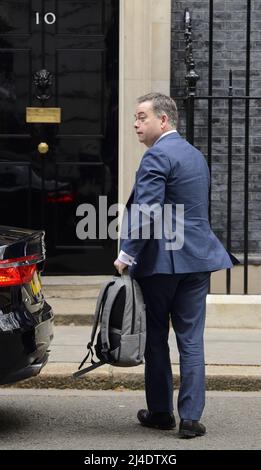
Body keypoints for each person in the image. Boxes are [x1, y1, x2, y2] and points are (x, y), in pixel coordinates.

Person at [114, 93, 237, 438]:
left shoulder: (157, 157)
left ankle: (160, 413)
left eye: (141, 117)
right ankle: (191, 419)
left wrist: (125, 255)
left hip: (161, 265)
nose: (135, 124)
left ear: (163, 120)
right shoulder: (196, 155)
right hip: (198, 260)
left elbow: (148, 213)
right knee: (192, 340)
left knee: (156, 338)